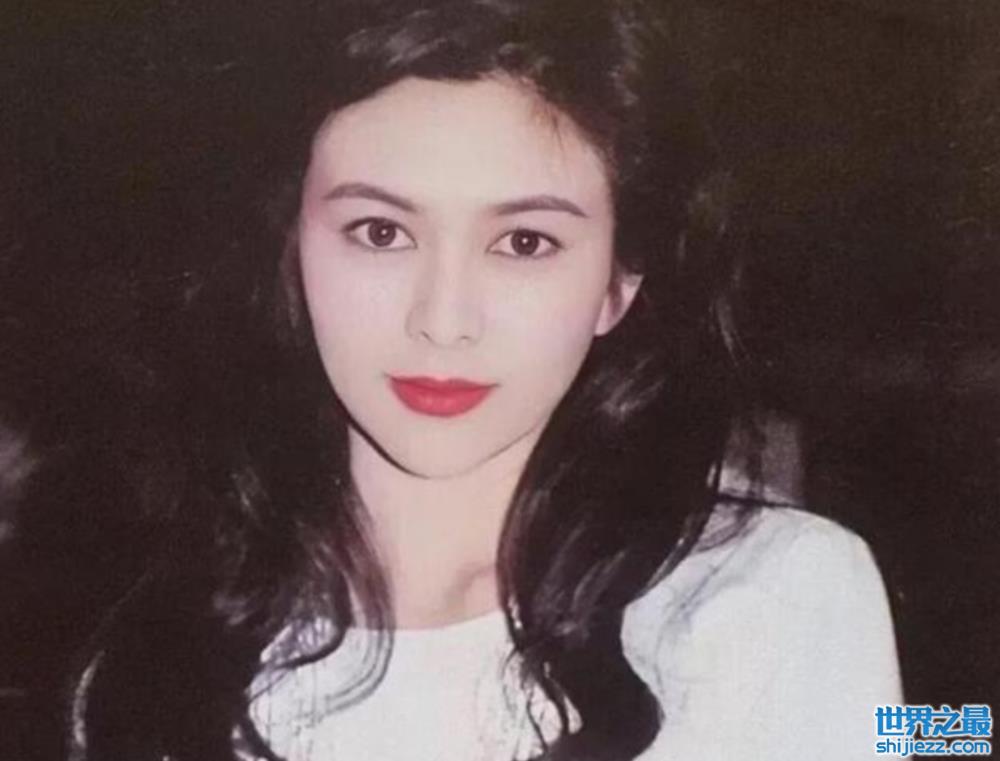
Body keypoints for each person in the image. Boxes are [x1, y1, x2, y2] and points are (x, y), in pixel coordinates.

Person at [63, 1, 903, 759]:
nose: (444, 318)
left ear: (619, 282)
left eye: (525, 243)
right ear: (291, 249)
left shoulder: (775, 598)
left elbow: (936, 732)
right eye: (380, 231)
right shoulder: (160, 656)